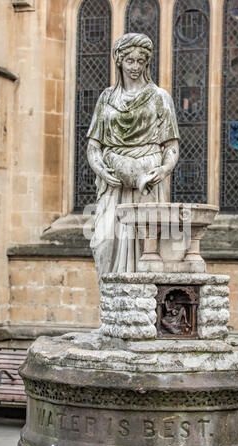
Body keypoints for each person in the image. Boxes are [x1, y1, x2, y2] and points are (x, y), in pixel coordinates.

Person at [87, 33, 180, 277]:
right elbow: (93, 147)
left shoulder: (160, 97)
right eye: (130, 61)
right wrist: (101, 170)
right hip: (113, 182)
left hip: (147, 180)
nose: (136, 67)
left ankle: (141, 309)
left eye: (141, 61)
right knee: (104, 241)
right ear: (119, 61)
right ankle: (112, 306)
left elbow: (171, 147)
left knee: (145, 248)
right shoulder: (106, 98)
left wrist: (163, 170)